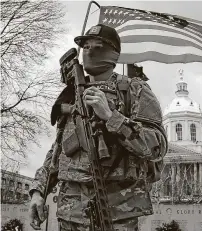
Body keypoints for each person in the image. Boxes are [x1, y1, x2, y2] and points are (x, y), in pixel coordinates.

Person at [28, 24, 168, 231]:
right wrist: (38, 191)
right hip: (71, 212)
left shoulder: (134, 90)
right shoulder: (71, 93)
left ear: (113, 53)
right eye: (85, 46)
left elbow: (157, 147)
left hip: (116, 212)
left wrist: (112, 117)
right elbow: (59, 150)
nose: (90, 51)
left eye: (98, 46)